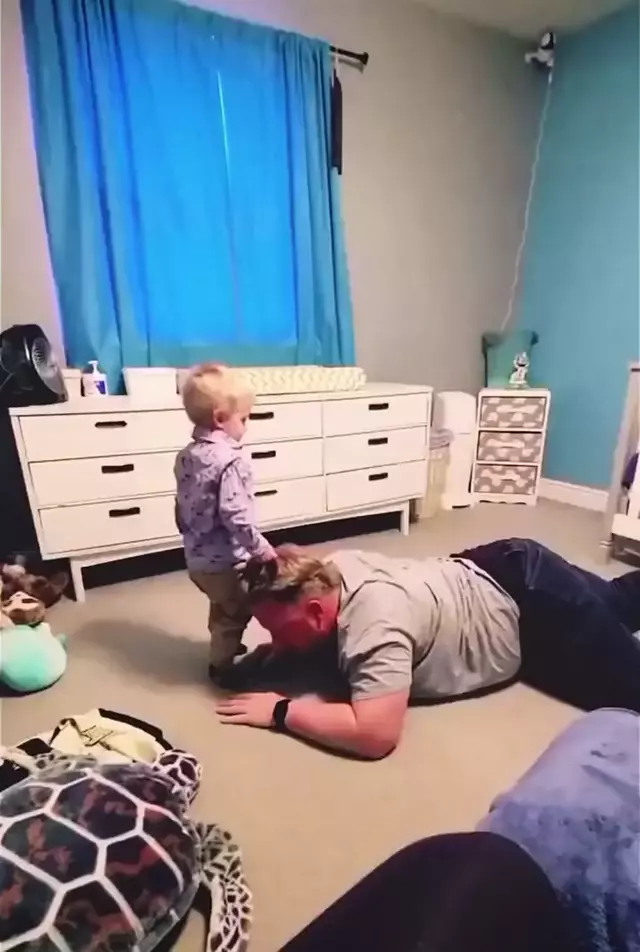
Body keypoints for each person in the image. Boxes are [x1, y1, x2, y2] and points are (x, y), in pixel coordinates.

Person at [216, 539, 640, 758]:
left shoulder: (375, 623)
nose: (275, 641)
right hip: (498, 566)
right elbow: (293, 586)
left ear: (314, 612)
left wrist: (282, 711)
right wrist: (280, 651)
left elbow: (374, 735)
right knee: (615, 603)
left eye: (279, 631)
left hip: (532, 606)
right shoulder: (329, 569)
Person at [175, 363, 275, 680]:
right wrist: (262, 550)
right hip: (227, 562)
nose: (247, 425)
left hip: (197, 560)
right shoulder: (232, 460)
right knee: (238, 610)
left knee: (222, 603)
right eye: (244, 418)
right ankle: (222, 666)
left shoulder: (187, 456)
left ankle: (222, 644)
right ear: (220, 418)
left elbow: (181, 505)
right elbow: (236, 515)